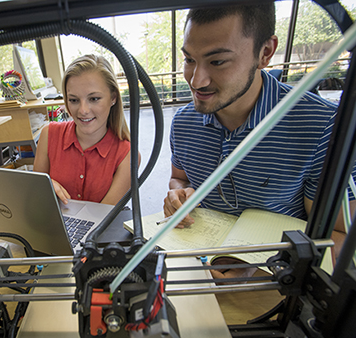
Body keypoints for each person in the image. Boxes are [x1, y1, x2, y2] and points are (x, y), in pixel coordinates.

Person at [163, 3, 356, 280]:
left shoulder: (321, 126)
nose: (196, 80)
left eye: (217, 61)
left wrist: (263, 262)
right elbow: (178, 178)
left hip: (278, 285)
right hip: (200, 270)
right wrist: (177, 195)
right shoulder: (183, 122)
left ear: (265, 52)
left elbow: (340, 237)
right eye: (189, 60)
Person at [34, 54, 136, 206]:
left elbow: (103, 218)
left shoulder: (127, 154)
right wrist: (45, 188)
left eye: (94, 99)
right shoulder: (49, 134)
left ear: (113, 97)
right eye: (74, 100)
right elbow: (34, 197)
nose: (83, 110)